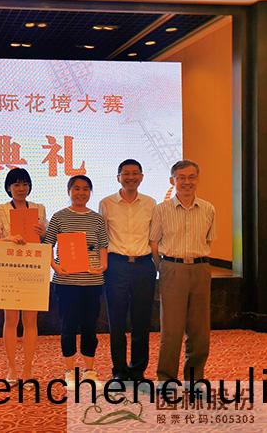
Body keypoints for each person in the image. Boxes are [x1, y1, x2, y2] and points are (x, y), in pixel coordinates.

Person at [150, 160, 215, 387]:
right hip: (172, 268)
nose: (187, 182)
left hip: (200, 269)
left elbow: (208, 241)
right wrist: (163, 267)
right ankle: (166, 379)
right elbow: (154, 243)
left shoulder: (208, 208)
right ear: (172, 180)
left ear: (197, 179)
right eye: (181, 177)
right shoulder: (161, 209)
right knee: (172, 330)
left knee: (200, 330)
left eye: (191, 177)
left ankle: (195, 379)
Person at [44, 175, 108, 390]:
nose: (81, 193)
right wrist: (54, 266)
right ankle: (70, 371)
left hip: (92, 281)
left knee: (90, 327)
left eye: (85, 189)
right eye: (76, 188)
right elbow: (48, 245)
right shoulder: (59, 217)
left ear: (90, 192)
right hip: (66, 282)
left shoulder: (97, 219)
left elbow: (103, 246)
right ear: (69, 191)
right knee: (68, 326)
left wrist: (103, 265)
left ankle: (90, 371)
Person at [99, 159, 157, 383]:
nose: (130, 177)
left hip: (143, 265)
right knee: (117, 321)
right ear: (118, 177)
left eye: (135, 173)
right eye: (126, 173)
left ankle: (138, 371)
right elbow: (102, 238)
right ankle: (119, 371)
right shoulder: (106, 203)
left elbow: (154, 238)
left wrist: (158, 265)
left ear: (141, 177)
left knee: (142, 321)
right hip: (116, 265)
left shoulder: (151, 203)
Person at [0, 168, 47, 385]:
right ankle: (12, 367)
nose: (21, 188)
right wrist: (9, 239)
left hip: (33, 268)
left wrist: (42, 233)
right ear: (8, 188)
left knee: (31, 321)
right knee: (11, 320)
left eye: (24, 184)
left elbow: (45, 239)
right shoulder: (0, 210)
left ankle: (28, 369)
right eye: (16, 184)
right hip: (10, 268)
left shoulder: (39, 208)